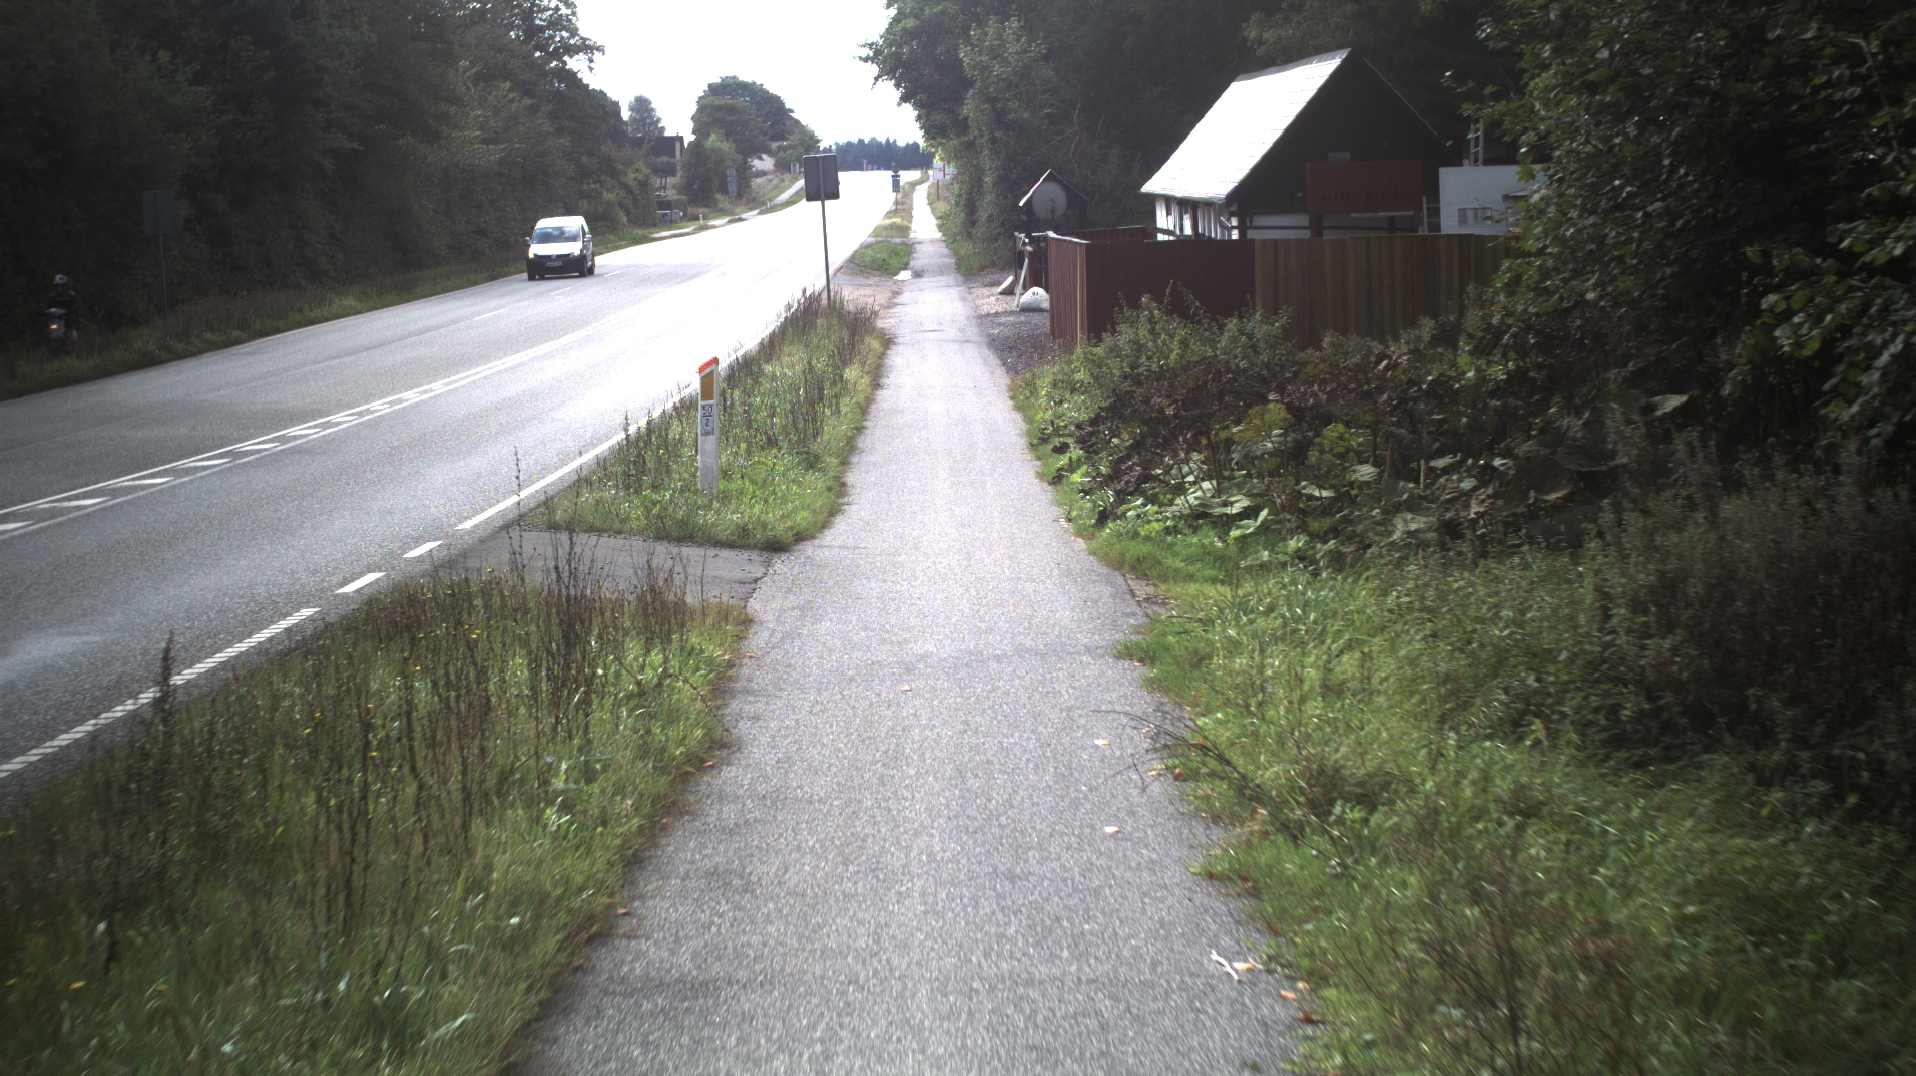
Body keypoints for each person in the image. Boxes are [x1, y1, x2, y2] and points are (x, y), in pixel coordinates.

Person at [45, 274, 81, 343]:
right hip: (55, 320)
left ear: (65, 286)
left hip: (66, 320)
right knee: (50, 328)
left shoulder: (71, 295)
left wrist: (71, 311)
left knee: (68, 329)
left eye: (60, 286)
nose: (59, 288)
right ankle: (51, 343)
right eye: (57, 286)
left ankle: (68, 344)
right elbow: (47, 305)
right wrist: (45, 310)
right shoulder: (53, 295)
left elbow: (77, 305)